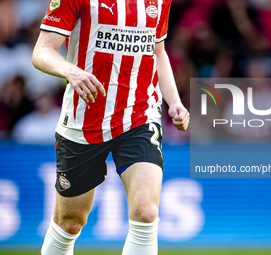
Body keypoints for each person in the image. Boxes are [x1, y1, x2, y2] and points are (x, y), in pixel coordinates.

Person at [32, 0, 190, 254]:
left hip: (139, 116)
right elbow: (42, 51)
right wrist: (69, 71)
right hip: (84, 121)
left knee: (146, 213)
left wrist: (174, 102)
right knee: (70, 223)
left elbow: (157, 51)